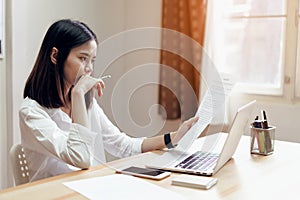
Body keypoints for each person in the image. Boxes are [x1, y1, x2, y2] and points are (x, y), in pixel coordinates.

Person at [19, 19, 198, 182]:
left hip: (90, 186)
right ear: (55, 56)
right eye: (82, 59)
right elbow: (80, 158)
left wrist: (174, 137)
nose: (89, 69)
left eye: (92, 60)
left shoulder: (86, 103)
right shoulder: (32, 112)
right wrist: (78, 95)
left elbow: (123, 146)